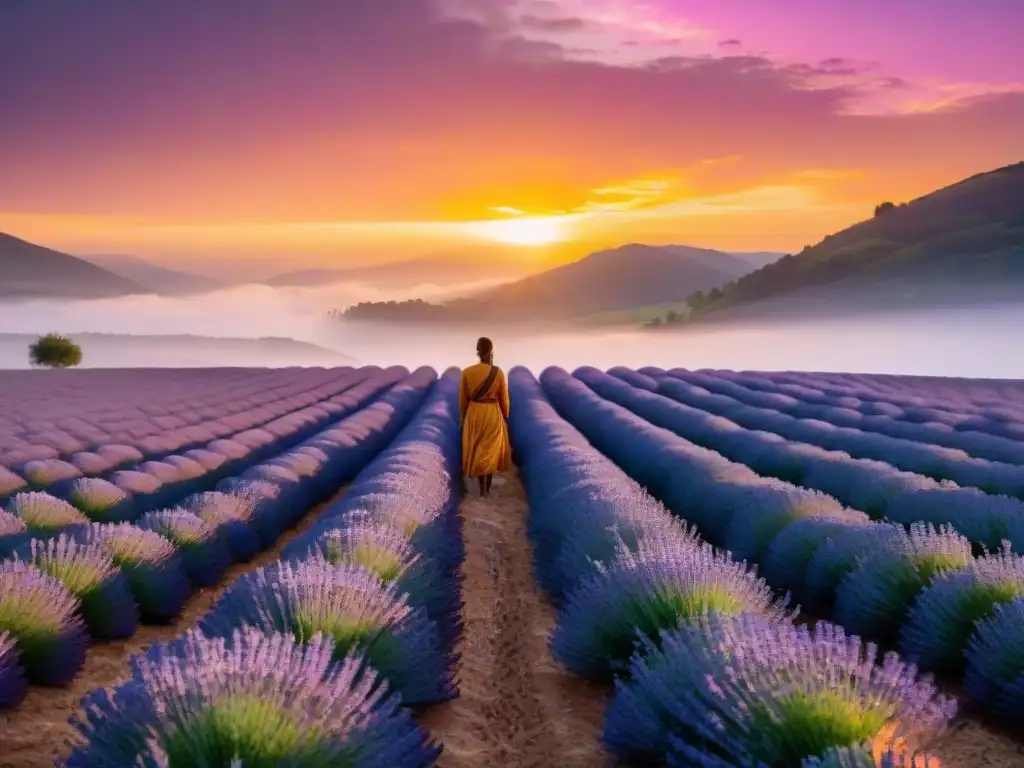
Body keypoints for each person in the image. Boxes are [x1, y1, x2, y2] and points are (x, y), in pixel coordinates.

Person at [459, 336, 512, 497]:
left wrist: (463, 417)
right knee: (489, 451)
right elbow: (504, 398)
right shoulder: (498, 373)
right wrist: (505, 415)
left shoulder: (467, 372)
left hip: (475, 412)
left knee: (477, 447)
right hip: (492, 413)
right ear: (491, 352)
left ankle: (480, 484)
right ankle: (485, 489)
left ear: (478, 352)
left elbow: (463, 398)